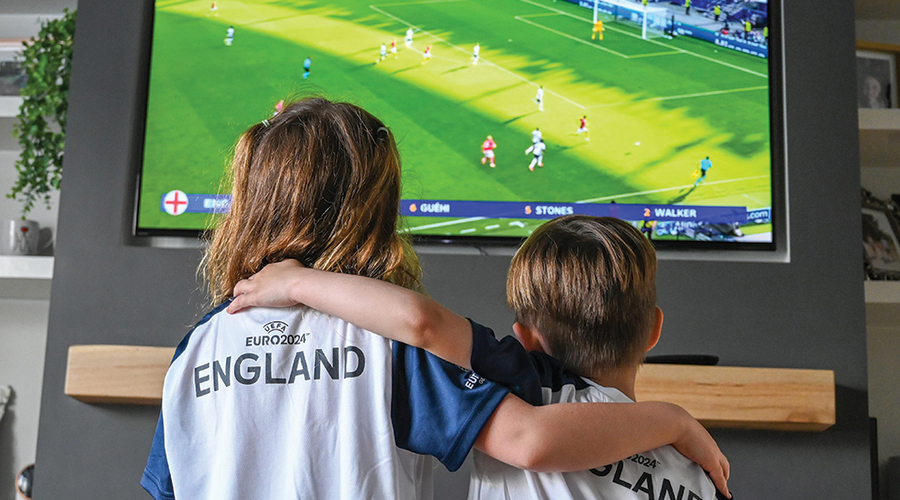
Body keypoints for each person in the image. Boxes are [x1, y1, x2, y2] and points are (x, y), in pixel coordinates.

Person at [142, 98, 729, 500]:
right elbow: (527, 439)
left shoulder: (197, 346)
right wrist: (671, 420)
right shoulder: (387, 339)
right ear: (373, 212)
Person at [226, 215, 733, 500]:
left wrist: (295, 281)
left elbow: (419, 323)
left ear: (525, 338)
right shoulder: (702, 472)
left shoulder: (530, 386)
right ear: (654, 330)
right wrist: (675, 423)